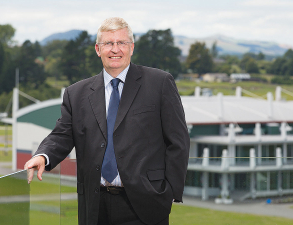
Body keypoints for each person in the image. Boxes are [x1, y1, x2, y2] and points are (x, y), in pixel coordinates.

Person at [24, 17, 189, 225]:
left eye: (121, 43)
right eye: (108, 43)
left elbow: (179, 140)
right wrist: (43, 155)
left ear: (132, 47)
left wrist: (170, 191)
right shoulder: (76, 94)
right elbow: (62, 134)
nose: (115, 49)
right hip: (95, 205)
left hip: (145, 203)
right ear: (97, 49)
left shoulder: (160, 83)